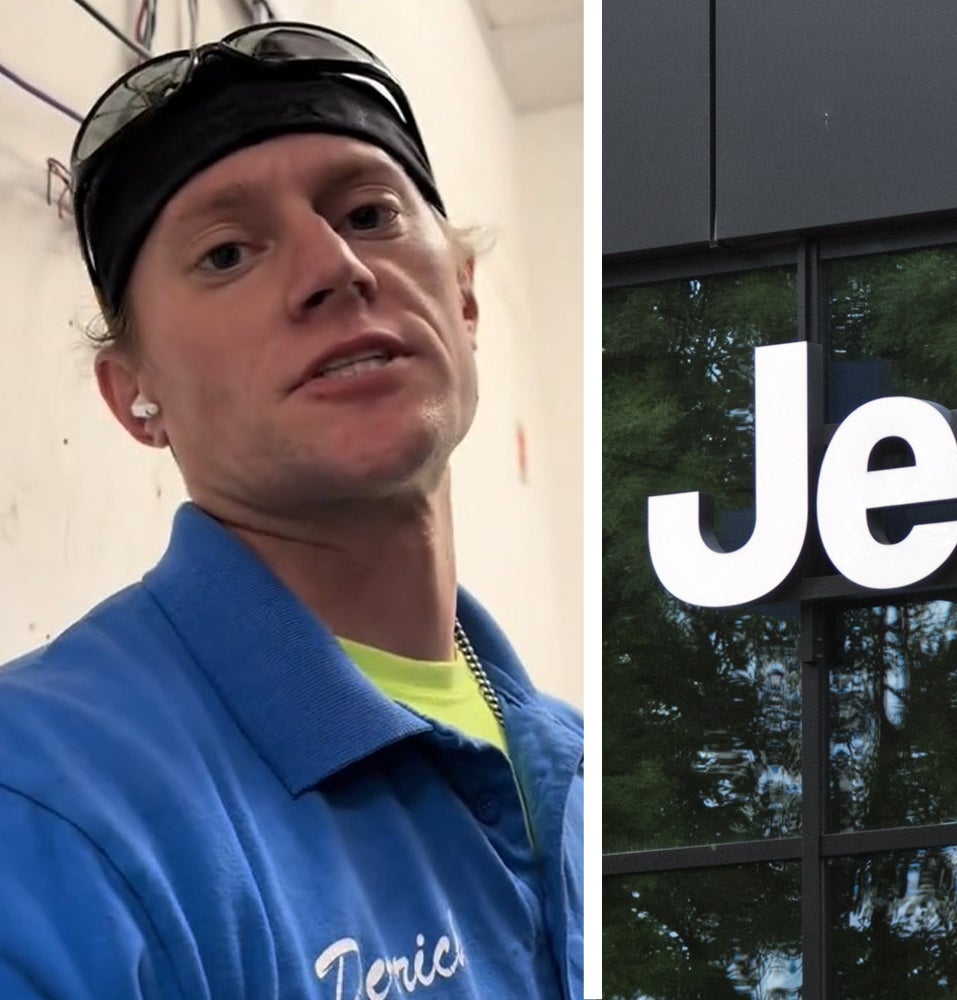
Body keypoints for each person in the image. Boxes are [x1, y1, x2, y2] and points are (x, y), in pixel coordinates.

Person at [0, 21, 581, 998]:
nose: (333, 269)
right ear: (133, 395)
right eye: (227, 253)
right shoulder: (46, 803)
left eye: (369, 213)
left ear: (466, 302)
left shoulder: (573, 775)